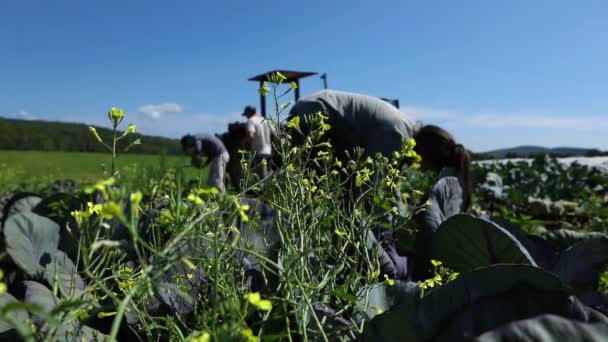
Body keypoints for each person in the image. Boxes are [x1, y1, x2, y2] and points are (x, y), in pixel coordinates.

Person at [409, 125, 473, 280]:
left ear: (425, 151)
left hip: (434, 278)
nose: (411, 156)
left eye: (414, 150)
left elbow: (429, 245)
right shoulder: (456, 177)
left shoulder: (440, 190)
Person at [287, 89, 421, 161]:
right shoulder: (398, 132)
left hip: (312, 104)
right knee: (310, 175)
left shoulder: (404, 125)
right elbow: (373, 181)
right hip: (320, 109)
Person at [242, 105, 275, 178]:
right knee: (268, 174)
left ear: (249, 113)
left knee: (261, 177)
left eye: (246, 115)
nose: (246, 117)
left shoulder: (251, 120)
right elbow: (274, 132)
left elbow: (251, 135)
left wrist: (244, 143)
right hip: (268, 151)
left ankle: (263, 189)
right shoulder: (265, 120)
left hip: (258, 152)